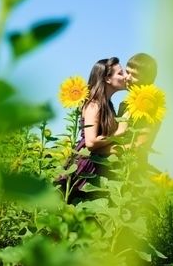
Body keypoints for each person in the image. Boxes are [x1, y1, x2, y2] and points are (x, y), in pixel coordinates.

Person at [62, 57, 126, 203]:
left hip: (96, 165)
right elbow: (90, 142)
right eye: (120, 73)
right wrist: (119, 132)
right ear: (107, 79)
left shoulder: (107, 105)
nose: (125, 77)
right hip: (86, 167)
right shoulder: (94, 105)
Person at [117, 53, 160, 169]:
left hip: (132, 168)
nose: (127, 77)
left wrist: (106, 150)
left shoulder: (151, 106)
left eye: (134, 75)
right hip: (118, 163)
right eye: (127, 72)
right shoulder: (125, 104)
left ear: (147, 79)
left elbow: (141, 144)